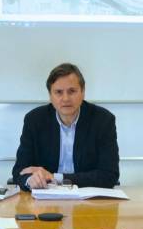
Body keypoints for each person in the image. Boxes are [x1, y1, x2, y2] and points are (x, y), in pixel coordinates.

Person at [12, 62, 119, 190]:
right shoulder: (34, 120)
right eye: (58, 92)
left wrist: (56, 177)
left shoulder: (103, 120)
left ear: (83, 92)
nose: (66, 98)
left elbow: (109, 175)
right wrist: (31, 180)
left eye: (72, 91)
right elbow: (19, 171)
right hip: (45, 199)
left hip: (87, 199)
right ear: (50, 95)